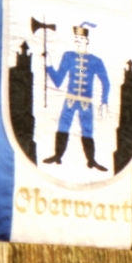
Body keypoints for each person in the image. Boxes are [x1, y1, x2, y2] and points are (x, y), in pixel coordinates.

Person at [43, 22, 111, 171]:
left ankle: (91, 160)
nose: (77, 42)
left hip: (86, 102)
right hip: (70, 100)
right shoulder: (68, 56)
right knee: (63, 127)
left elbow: (106, 81)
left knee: (88, 130)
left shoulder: (96, 61)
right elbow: (58, 80)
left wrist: (104, 102)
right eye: (76, 40)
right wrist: (48, 65)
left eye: (80, 40)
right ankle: (57, 156)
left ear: (86, 41)